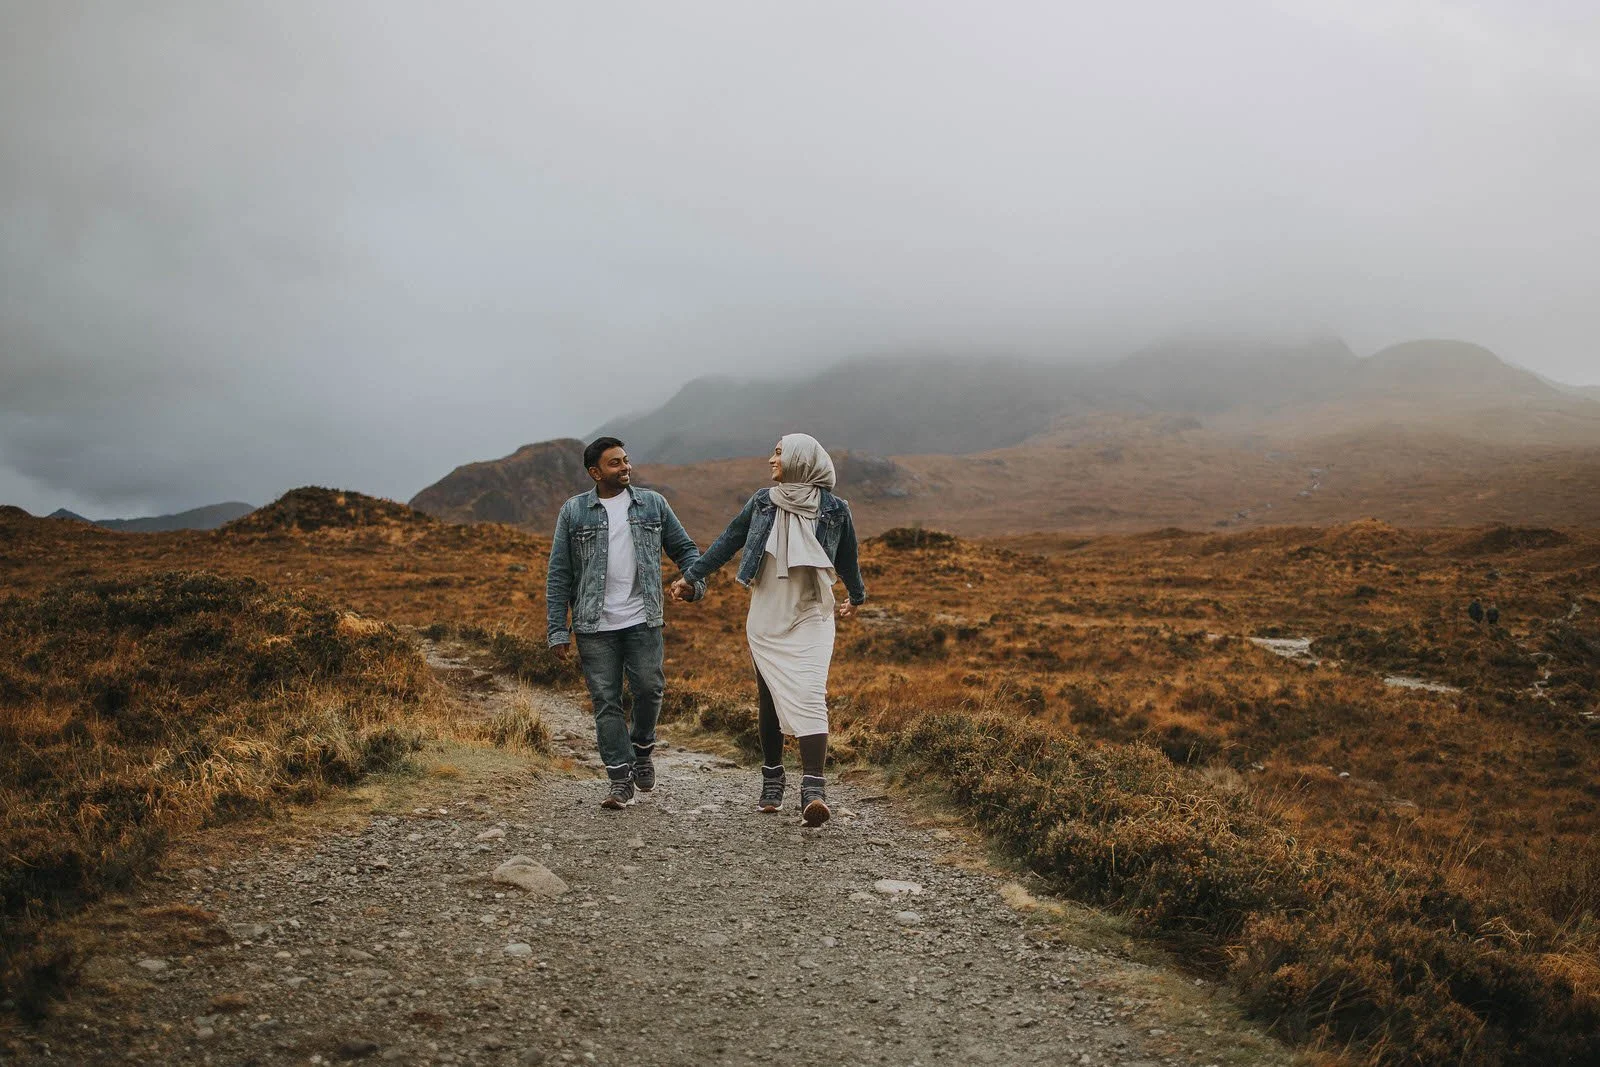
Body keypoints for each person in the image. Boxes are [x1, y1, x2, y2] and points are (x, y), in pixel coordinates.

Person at [672, 433, 865, 827]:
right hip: (767, 613)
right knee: (770, 696)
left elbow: (848, 557)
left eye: (778, 452)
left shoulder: (836, 509)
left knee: (812, 692)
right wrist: (692, 577)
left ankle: (814, 789)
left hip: (812, 612)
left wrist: (856, 595)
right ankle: (772, 777)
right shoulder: (763, 502)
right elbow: (728, 541)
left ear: (800, 458)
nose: (771, 459)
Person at [547, 436, 704, 809]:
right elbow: (559, 573)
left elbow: (685, 549)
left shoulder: (653, 504)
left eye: (626, 460)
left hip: (642, 618)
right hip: (593, 624)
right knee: (606, 700)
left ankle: (642, 748)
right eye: (615, 463)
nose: (625, 467)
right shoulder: (574, 512)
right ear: (595, 472)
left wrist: (693, 582)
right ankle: (619, 777)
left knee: (649, 688)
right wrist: (557, 628)